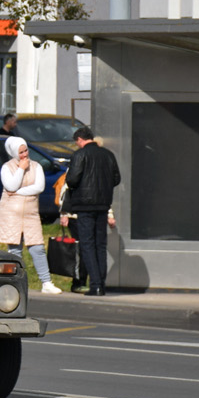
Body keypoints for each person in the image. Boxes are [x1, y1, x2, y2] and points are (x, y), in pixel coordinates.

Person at [0, 135, 61, 293]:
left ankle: (46, 283)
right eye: (21, 152)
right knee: (15, 248)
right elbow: (10, 185)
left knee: (37, 247)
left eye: (25, 151)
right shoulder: (7, 168)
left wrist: (17, 192)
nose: (25, 155)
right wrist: (21, 169)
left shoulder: (36, 166)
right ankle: (15, 282)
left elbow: (39, 187)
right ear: (14, 153)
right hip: (10, 214)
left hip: (30, 213)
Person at [63, 126, 121, 296]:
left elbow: (72, 179)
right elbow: (116, 178)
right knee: (100, 245)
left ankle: (95, 285)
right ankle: (101, 284)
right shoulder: (108, 155)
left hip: (84, 206)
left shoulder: (79, 155)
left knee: (87, 244)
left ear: (80, 139)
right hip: (103, 205)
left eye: (77, 142)